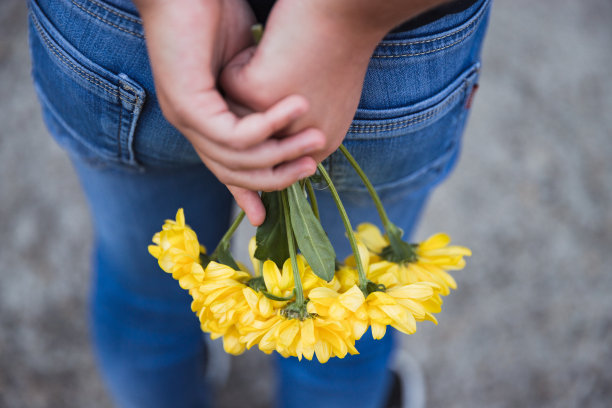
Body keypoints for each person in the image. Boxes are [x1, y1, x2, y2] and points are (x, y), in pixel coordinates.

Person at [27, 0, 491, 406]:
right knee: (343, 333)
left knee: (145, 297)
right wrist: (343, 21)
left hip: (121, 34)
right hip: (386, 54)